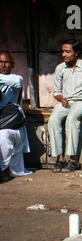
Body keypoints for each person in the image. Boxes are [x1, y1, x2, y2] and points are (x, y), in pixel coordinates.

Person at [48, 39, 82, 173]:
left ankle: (73, 160)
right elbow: (56, 91)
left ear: (76, 53)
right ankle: (60, 158)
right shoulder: (60, 68)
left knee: (72, 119)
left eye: (67, 51)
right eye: (63, 51)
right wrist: (61, 99)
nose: (64, 54)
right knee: (53, 120)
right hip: (65, 102)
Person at [0, 50, 32, 183]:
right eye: (0, 62)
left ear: (12, 64)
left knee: (3, 135)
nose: (2, 65)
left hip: (12, 124)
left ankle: (4, 169)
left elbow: (16, 83)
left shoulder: (16, 79)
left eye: (6, 62)